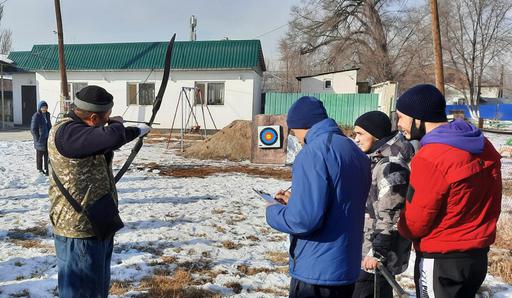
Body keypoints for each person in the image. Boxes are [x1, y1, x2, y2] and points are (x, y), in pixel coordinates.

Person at [396, 84, 502, 297]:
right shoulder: (483, 146)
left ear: (419, 118)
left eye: (401, 117)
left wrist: (402, 229)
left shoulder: (430, 157)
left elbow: (416, 222)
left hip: (441, 259)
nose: (399, 124)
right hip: (476, 257)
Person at [48, 85, 150, 298]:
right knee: (81, 293)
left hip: (98, 222)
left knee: (96, 290)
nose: (109, 120)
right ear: (93, 118)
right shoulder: (68, 133)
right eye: (106, 117)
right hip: (78, 231)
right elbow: (110, 137)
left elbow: (108, 139)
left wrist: (136, 131)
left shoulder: (85, 132)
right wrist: (118, 125)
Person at [266, 96, 371, 297]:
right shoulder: (354, 151)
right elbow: (339, 202)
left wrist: (273, 210)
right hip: (346, 267)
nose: (294, 136)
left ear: (300, 124)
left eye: (293, 129)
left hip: (316, 271)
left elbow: (303, 220)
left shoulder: (312, 153)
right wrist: (295, 202)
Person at [351, 111, 414, 298]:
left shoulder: (391, 166)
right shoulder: (378, 160)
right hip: (369, 250)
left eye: (360, 134)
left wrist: (377, 252)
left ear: (376, 134)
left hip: (374, 256)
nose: (356, 139)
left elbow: (392, 214)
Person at [31, 100, 52, 175]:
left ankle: (47, 169)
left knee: (47, 154)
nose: (44, 109)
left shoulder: (48, 114)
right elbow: (33, 128)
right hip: (40, 139)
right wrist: (37, 138)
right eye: (42, 107)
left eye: (45, 107)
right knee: (40, 155)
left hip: (47, 138)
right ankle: (39, 169)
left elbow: (49, 125)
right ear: (39, 108)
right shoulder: (36, 115)